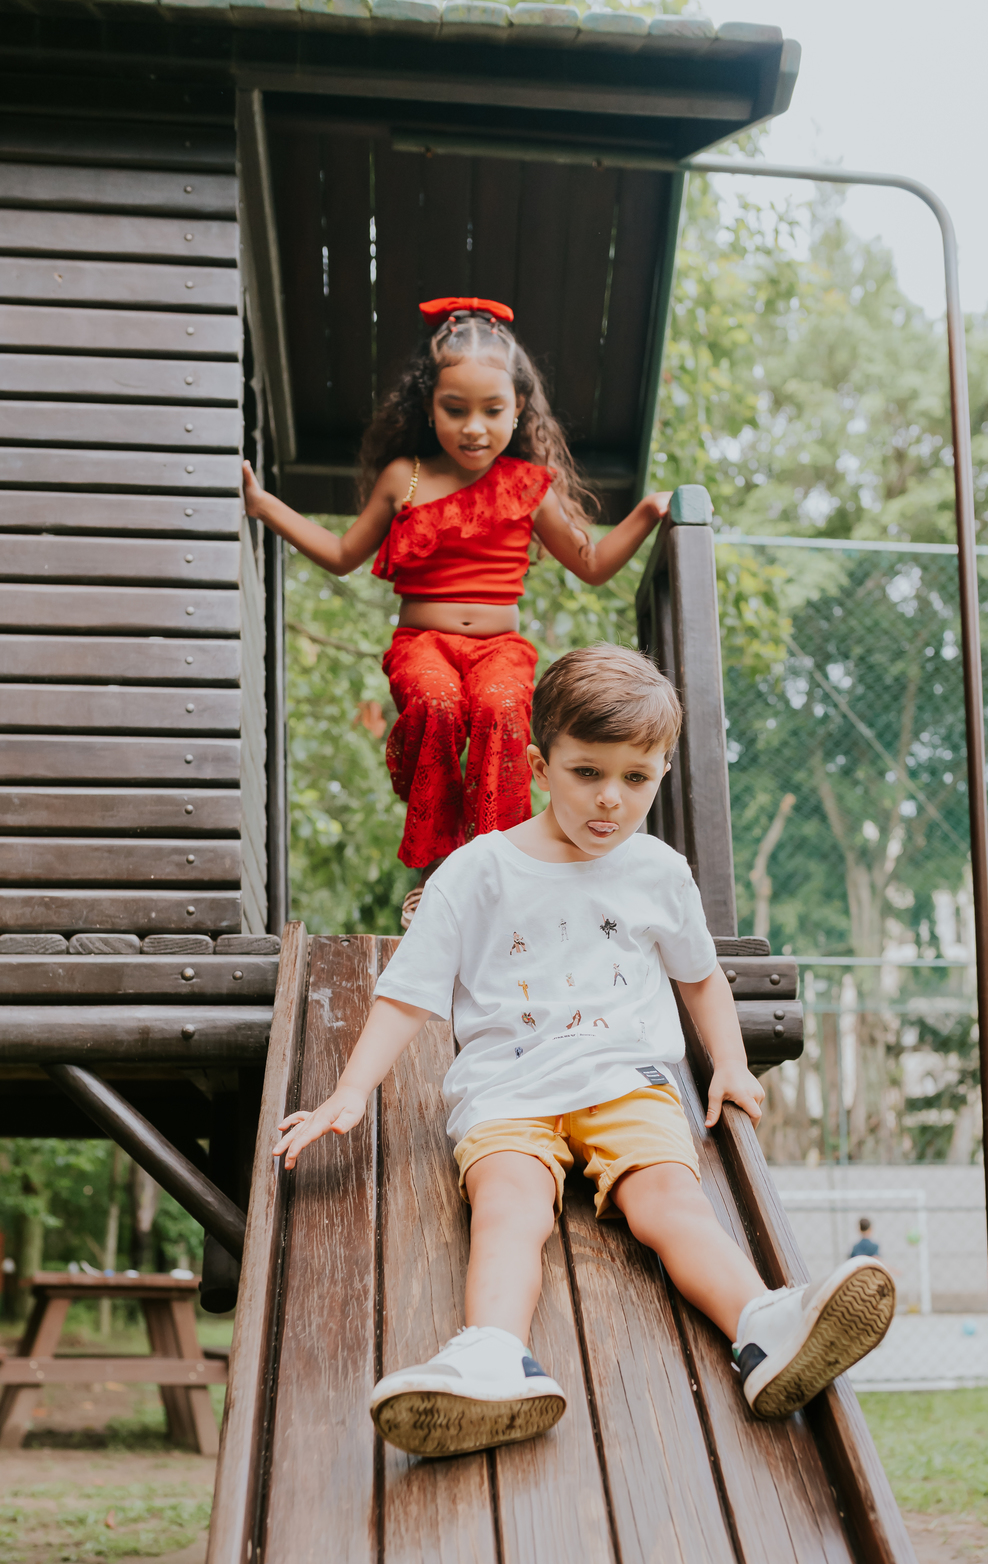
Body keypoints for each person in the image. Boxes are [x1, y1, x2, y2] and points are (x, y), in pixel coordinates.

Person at [275, 646, 897, 1458]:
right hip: (508, 1091)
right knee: (510, 1209)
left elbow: (701, 978)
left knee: (669, 1202)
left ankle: (764, 1326)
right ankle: (493, 1357)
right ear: (539, 765)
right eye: (586, 773)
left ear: (662, 772)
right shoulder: (478, 872)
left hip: (623, 1078)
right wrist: (351, 1092)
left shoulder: (657, 872)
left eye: (636, 779)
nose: (610, 800)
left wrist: (734, 1064)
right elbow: (407, 994)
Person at [243, 296, 672, 928]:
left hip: (501, 649)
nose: (475, 427)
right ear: (428, 407)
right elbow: (340, 554)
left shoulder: (529, 484)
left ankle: (497, 867)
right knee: (438, 704)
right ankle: (438, 870)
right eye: (456, 409)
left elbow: (591, 564)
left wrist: (645, 513)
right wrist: (264, 505)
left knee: (502, 712)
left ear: (518, 408)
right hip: (424, 643)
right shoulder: (406, 477)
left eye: (493, 410)